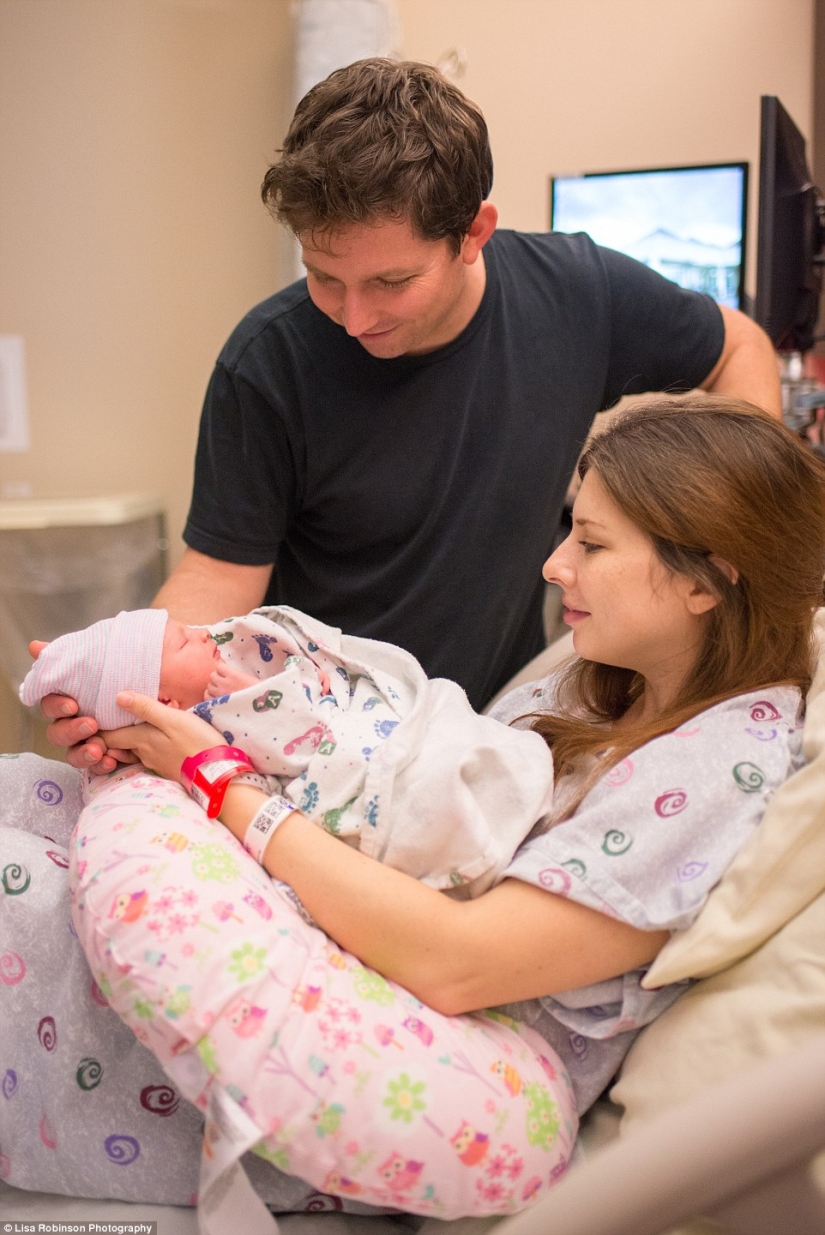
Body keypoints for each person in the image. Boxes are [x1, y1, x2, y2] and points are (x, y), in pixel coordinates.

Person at [3, 397, 820, 1221]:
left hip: (399, 1036)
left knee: (23, 904)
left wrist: (216, 778)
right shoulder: (604, 684)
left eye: (592, 543)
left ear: (706, 579)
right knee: (32, 806)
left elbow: (459, 960)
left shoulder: (714, 769)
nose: (553, 565)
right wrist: (151, 706)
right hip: (322, 907)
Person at [43, 57, 782, 772]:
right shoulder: (268, 362)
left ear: (474, 233)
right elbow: (219, 576)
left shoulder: (578, 296)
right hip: (319, 747)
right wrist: (135, 689)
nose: (354, 318)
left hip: (498, 731)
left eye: (390, 282)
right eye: (324, 277)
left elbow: (739, 348)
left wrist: (743, 545)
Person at [21, 603, 557, 895]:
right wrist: (252, 699)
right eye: (184, 640)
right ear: (163, 702)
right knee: (432, 783)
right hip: (354, 767)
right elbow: (290, 747)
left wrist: (300, 673)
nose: (203, 635)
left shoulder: (226, 660)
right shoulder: (199, 722)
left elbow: (305, 676)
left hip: (374, 716)